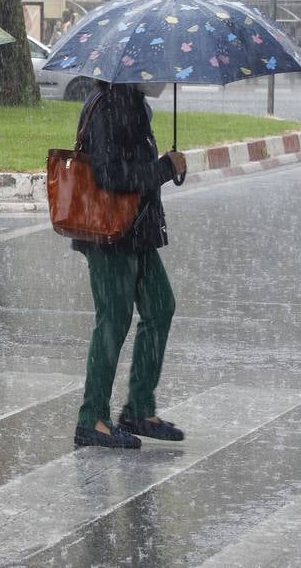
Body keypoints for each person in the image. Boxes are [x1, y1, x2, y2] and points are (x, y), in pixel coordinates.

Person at [72, 79, 188, 449]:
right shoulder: (108, 107)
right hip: (110, 233)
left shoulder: (134, 103)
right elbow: (110, 176)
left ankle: (139, 407)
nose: (160, 78)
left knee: (160, 307)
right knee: (114, 319)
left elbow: (133, 168)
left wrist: (164, 168)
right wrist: (163, 169)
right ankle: (92, 418)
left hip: (137, 231)